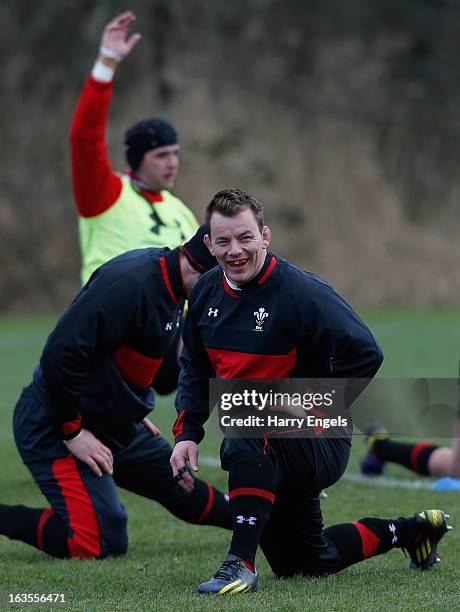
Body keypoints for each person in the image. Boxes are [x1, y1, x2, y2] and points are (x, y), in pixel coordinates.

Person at [170, 189, 451, 594]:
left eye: (246, 238)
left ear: (265, 237)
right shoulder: (206, 294)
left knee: (246, 413)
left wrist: (311, 401)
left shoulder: (301, 292)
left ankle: (238, 565)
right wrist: (186, 435)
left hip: (319, 436)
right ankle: (411, 532)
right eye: (224, 241)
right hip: (265, 447)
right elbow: (194, 368)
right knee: (303, 563)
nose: (236, 250)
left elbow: (366, 351)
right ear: (209, 244)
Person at [0, 227, 231, 559]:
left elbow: (163, 379)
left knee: (182, 484)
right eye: (221, 287)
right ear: (199, 268)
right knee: (97, 541)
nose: (221, 298)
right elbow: (60, 353)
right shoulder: (131, 281)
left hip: (115, 423)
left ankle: (262, 519)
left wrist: (192, 347)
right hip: (54, 422)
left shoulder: (177, 292)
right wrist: (72, 430)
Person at [70, 11, 198, 286]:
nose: (173, 162)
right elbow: (84, 139)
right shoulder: (107, 196)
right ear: (138, 159)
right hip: (114, 326)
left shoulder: (181, 212)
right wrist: (107, 63)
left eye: (175, 153)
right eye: (162, 155)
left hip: (171, 329)